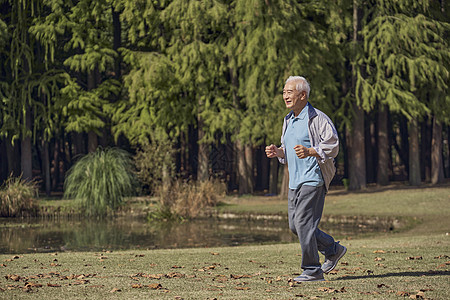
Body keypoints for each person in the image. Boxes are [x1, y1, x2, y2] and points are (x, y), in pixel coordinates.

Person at [265, 76, 346, 282]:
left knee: (303, 223)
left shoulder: (317, 118)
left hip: (314, 178)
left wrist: (311, 151)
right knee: (295, 227)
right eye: (284, 92)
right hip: (295, 182)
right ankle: (333, 249)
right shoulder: (288, 120)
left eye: (289, 92)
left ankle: (312, 270)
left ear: (303, 95)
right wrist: (278, 152)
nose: (285, 96)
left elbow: (333, 145)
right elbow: (288, 150)